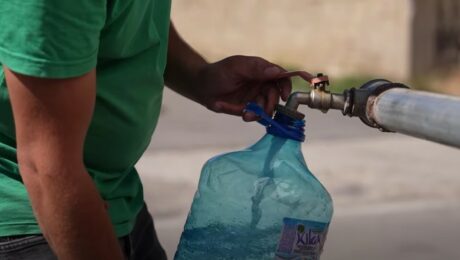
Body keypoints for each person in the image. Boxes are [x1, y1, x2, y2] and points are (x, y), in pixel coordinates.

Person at [0, 0, 292, 259]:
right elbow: (46, 167)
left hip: (121, 200)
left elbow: (130, 17)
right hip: (35, 219)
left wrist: (198, 75)